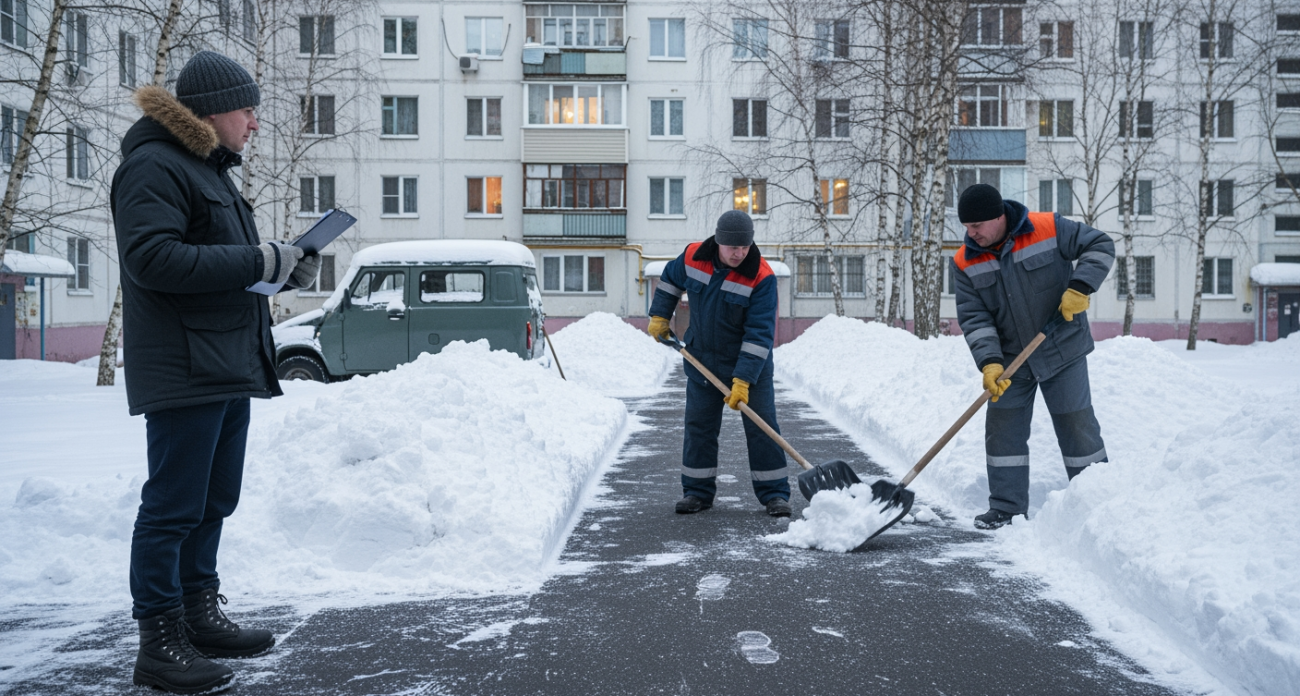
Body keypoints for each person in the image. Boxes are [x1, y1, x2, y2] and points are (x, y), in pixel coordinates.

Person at [111, 51, 319, 693]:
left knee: (212, 500)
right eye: (248, 110)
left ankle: (198, 614)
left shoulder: (207, 170)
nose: (255, 123)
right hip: (185, 365)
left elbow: (220, 262)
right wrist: (257, 258)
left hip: (224, 359)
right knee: (172, 507)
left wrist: (281, 269)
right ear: (212, 111)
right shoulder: (153, 165)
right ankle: (159, 642)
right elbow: (153, 259)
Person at [951, 184, 1114, 530]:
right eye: (966, 226)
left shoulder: (1048, 228)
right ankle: (1006, 508)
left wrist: (1081, 286)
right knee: (1003, 431)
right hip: (1011, 360)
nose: (971, 233)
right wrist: (990, 362)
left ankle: (1099, 504)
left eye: (977, 225)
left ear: (998, 216)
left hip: (1062, 347)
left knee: (1077, 427)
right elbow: (975, 318)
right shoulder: (965, 261)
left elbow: (1100, 244)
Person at [646, 210, 792, 517]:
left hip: (750, 368)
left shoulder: (761, 277)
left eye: (745, 247)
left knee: (762, 428)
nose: (739, 254)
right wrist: (660, 315)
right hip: (703, 362)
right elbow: (670, 279)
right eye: (733, 247)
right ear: (718, 241)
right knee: (699, 427)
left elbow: (759, 335)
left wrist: (743, 380)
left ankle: (775, 494)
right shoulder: (693, 257)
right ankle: (696, 492)